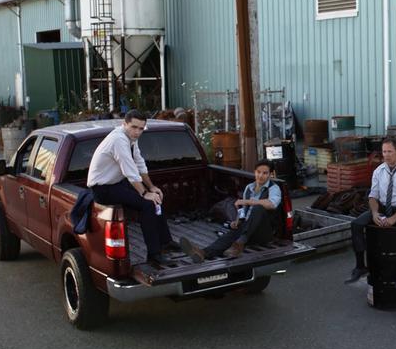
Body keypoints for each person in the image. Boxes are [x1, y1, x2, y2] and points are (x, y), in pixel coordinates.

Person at [87, 110, 176, 265]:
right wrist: (144, 193)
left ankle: (166, 242)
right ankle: (154, 254)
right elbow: (130, 170)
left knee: (155, 198)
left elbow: (140, 163)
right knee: (147, 205)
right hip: (103, 189)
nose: (137, 132)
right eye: (134, 127)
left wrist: (151, 187)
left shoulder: (131, 138)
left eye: (141, 128)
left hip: (116, 183)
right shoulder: (119, 140)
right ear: (124, 124)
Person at [345, 138, 396, 290]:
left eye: (390, 151)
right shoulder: (379, 171)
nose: (386, 155)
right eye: (384, 152)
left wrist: (394, 218)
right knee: (356, 224)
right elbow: (373, 196)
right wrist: (374, 213)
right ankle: (360, 266)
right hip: (383, 208)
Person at [179, 160, 282, 262]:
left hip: (263, 232)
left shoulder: (274, 188)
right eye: (258, 172)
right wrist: (237, 221)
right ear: (255, 172)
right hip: (247, 230)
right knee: (230, 234)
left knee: (258, 207)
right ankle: (203, 253)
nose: (260, 176)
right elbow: (244, 210)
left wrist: (248, 201)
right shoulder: (249, 187)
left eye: (265, 173)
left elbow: (272, 204)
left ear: (270, 174)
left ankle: (240, 242)